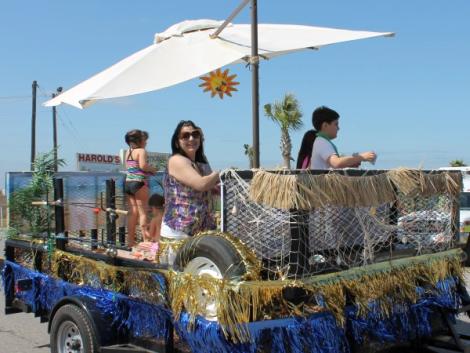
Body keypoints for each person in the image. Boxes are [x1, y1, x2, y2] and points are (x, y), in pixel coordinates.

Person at [161, 120, 219, 240]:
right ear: (177, 142)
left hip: (201, 230)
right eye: (185, 136)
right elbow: (201, 184)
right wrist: (221, 173)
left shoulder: (200, 163)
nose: (191, 138)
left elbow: (211, 186)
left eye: (195, 134)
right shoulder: (176, 160)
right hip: (178, 233)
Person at [309, 106, 376, 170]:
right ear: (325, 125)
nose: (338, 128)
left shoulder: (320, 141)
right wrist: (362, 157)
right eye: (336, 124)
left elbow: (333, 166)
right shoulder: (322, 142)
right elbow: (336, 163)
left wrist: (350, 163)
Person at [124, 129, 157, 246]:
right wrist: (153, 169)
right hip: (139, 183)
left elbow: (133, 168)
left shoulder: (128, 152)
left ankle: (130, 242)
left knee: (132, 213)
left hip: (128, 183)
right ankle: (146, 241)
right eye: (145, 140)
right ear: (140, 140)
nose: (146, 142)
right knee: (143, 213)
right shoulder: (141, 151)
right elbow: (143, 166)